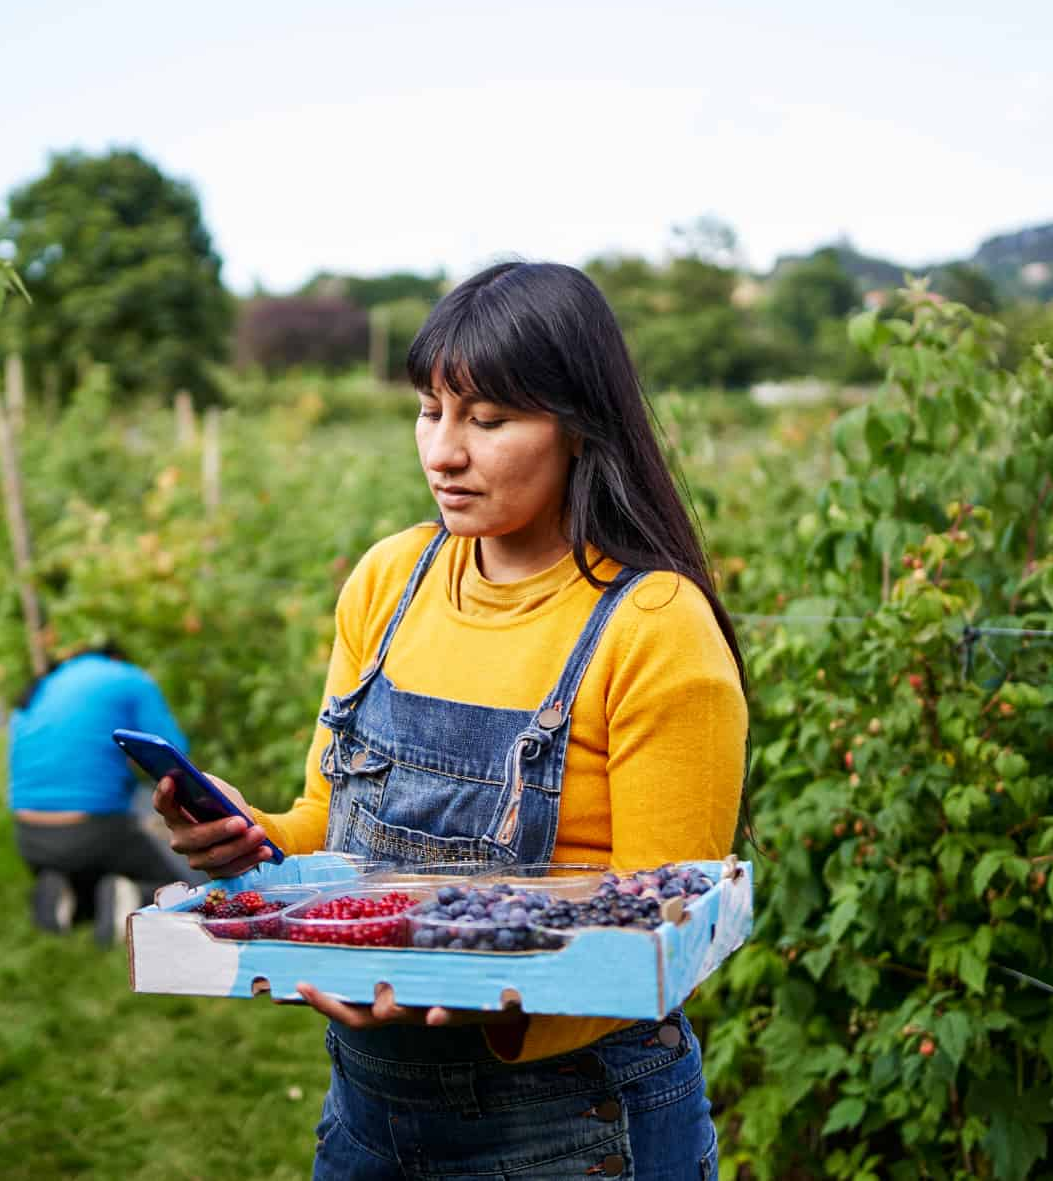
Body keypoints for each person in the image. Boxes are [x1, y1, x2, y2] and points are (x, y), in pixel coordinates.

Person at [154, 261, 749, 1179]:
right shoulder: (391, 581)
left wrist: (479, 986)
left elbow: (661, 939)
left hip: (573, 1125)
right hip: (367, 1113)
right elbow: (331, 823)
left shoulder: (653, 626)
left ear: (579, 428)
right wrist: (253, 839)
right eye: (431, 409)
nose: (443, 451)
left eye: (490, 418)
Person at [9, 639, 198, 945]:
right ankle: (131, 896)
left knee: (94, 875)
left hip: (29, 837)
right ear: (117, 657)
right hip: (91, 830)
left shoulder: (44, 684)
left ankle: (63, 888)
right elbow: (174, 754)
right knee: (181, 891)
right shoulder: (129, 677)